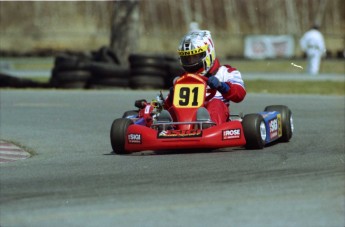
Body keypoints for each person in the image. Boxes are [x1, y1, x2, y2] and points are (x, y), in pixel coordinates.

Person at [164, 30, 246, 125]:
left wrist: (221, 86)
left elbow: (240, 94)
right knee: (170, 110)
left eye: (195, 57)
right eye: (187, 58)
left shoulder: (225, 72)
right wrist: (172, 96)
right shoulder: (182, 79)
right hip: (184, 121)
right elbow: (166, 106)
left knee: (216, 103)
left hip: (216, 119)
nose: (191, 62)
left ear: (208, 53)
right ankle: (165, 128)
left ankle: (209, 126)